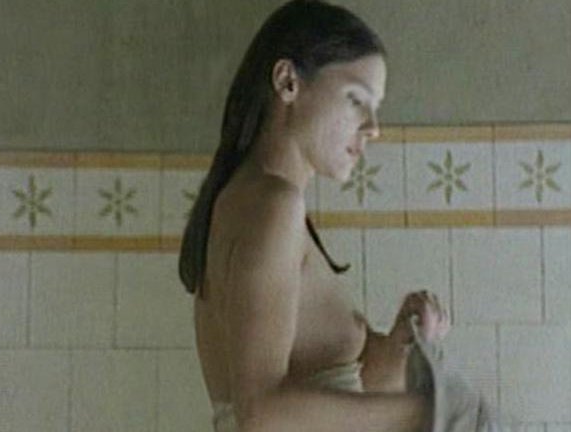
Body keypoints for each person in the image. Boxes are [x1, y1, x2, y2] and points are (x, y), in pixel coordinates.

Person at [178, 1, 495, 431]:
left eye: (375, 107)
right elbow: (261, 413)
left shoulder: (258, 203)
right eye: (356, 99)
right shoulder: (272, 205)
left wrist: (398, 345)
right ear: (288, 82)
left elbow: (339, 393)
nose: (373, 127)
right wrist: (430, 412)